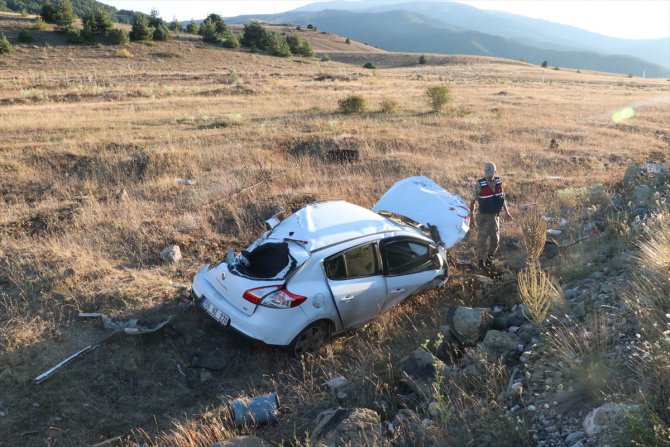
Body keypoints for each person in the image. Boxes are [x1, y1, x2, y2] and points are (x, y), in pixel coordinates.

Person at [469, 162, 512, 269]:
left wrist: (507, 212)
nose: (489, 175)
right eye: (487, 173)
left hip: (495, 217)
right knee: (481, 241)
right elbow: (472, 202)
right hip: (483, 217)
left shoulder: (498, 182)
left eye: (491, 173)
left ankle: (489, 259)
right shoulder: (479, 184)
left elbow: (502, 199)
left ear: (495, 172)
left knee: (495, 240)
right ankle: (480, 262)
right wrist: (471, 219)